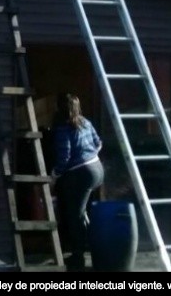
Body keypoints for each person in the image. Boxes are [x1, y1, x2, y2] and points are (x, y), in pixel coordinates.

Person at [51, 92, 104, 271]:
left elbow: (64, 157)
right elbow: (98, 143)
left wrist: (54, 175)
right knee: (81, 213)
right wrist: (89, 156)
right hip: (97, 169)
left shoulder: (63, 128)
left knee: (74, 215)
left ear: (60, 108)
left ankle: (78, 257)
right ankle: (94, 246)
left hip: (81, 174)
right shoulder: (85, 122)